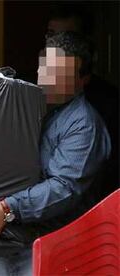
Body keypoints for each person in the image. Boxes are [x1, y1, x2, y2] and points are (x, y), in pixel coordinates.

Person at [0, 31, 111, 275]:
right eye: (47, 69)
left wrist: (7, 208)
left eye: (61, 75)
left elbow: (64, 187)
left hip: (52, 245)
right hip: (7, 242)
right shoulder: (27, 108)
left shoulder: (84, 124)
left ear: (83, 79)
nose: (49, 79)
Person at [46, 5, 119, 199]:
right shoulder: (30, 93)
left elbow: (65, 188)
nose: (58, 44)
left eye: (67, 37)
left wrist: (8, 207)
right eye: (52, 34)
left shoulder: (102, 108)